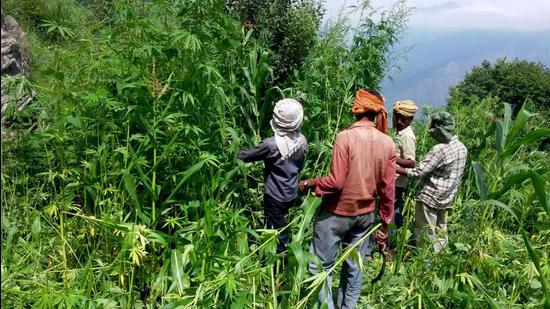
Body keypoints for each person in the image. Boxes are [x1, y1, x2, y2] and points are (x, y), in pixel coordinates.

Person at [300, 89, 396, 309]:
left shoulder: (345, 137)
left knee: (322, 267)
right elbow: (388, 189)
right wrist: (385, 222)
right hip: (365, 216)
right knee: (354, 266)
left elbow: (335, 183)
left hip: (336, 213)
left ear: (357, 108)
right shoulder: (388, 143)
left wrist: (310, 184)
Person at [237, 98, 307, 254]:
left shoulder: (270, 144)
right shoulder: (302, 142)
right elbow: (300, 166)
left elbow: (245, 156)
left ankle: (275, 263)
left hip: (274, 195)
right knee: (281, 223)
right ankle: (279, 251)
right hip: (291, 192)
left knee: (275, 231)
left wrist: (232, 151)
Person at [396, 111, 467, 253]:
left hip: (429, 197)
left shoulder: (439, 149)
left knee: (425, 233)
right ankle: (441, 260)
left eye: (433, 126)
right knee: (441, 230)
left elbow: (418, 173)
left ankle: (425, 263)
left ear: (439, 128)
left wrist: (393, 166)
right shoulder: (461, 147)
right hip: (446, 198)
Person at [390, 100, 418, 244]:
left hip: (397, 181)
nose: (400, 121)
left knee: (392, 212)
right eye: (398, 117)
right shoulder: (399, 132)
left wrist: (389, 158)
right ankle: (393, 240)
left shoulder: (407, 136)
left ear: (411, 120)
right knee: (393, 210)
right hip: (392, 180)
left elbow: (411, 162)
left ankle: (392, 241)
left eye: (404, 119)